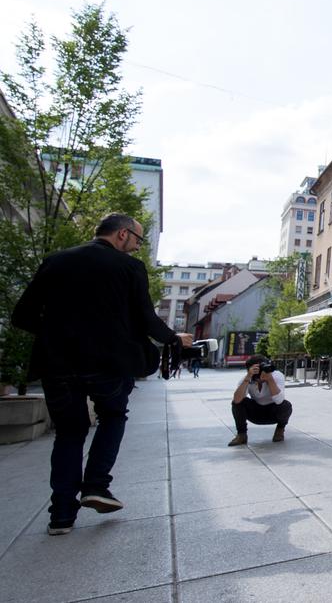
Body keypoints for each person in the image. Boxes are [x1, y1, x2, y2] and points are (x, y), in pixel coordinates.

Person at [11, 213, 192, 536]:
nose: (137, 247)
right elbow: (145, 318)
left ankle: (61, 515)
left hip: (58, 363)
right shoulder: (127, 268)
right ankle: (96, 484)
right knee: (113, 416)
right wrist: (174, 339)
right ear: (122, 235)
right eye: (137, 240)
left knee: (69, 432)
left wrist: (56, 332)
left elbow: (22, 315)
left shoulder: (56, 261)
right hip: (108, 362)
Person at [228, 355, 293, 446]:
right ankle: (241, 435)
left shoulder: (276, 375)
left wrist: (269, 380)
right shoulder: (247, 378)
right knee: (237, 403)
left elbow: (279, 400)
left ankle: (280, 429)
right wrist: (248, 377)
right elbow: (237, 400)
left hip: (273, 412)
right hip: (256, 413)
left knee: (286, 405)